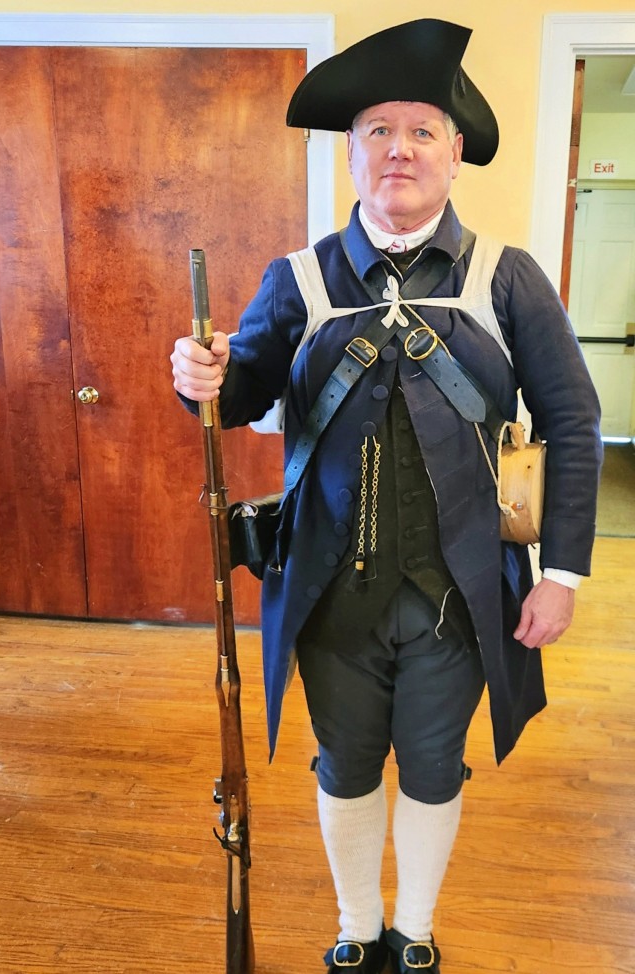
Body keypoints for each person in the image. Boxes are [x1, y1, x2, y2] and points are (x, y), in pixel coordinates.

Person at [171, 19, 602, 974]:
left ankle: (417, 929)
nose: (398, 148)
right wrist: (197, 373)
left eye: (421, 130)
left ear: (454, 154)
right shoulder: (299, 280)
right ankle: (359, 926)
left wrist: (562, 573)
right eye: (377, 130)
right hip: (332, 596)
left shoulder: (507, 278)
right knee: (347, 765)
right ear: (354, 151)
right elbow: (240, 388)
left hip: (460, 594)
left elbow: (574, 420)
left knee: (437, 766)